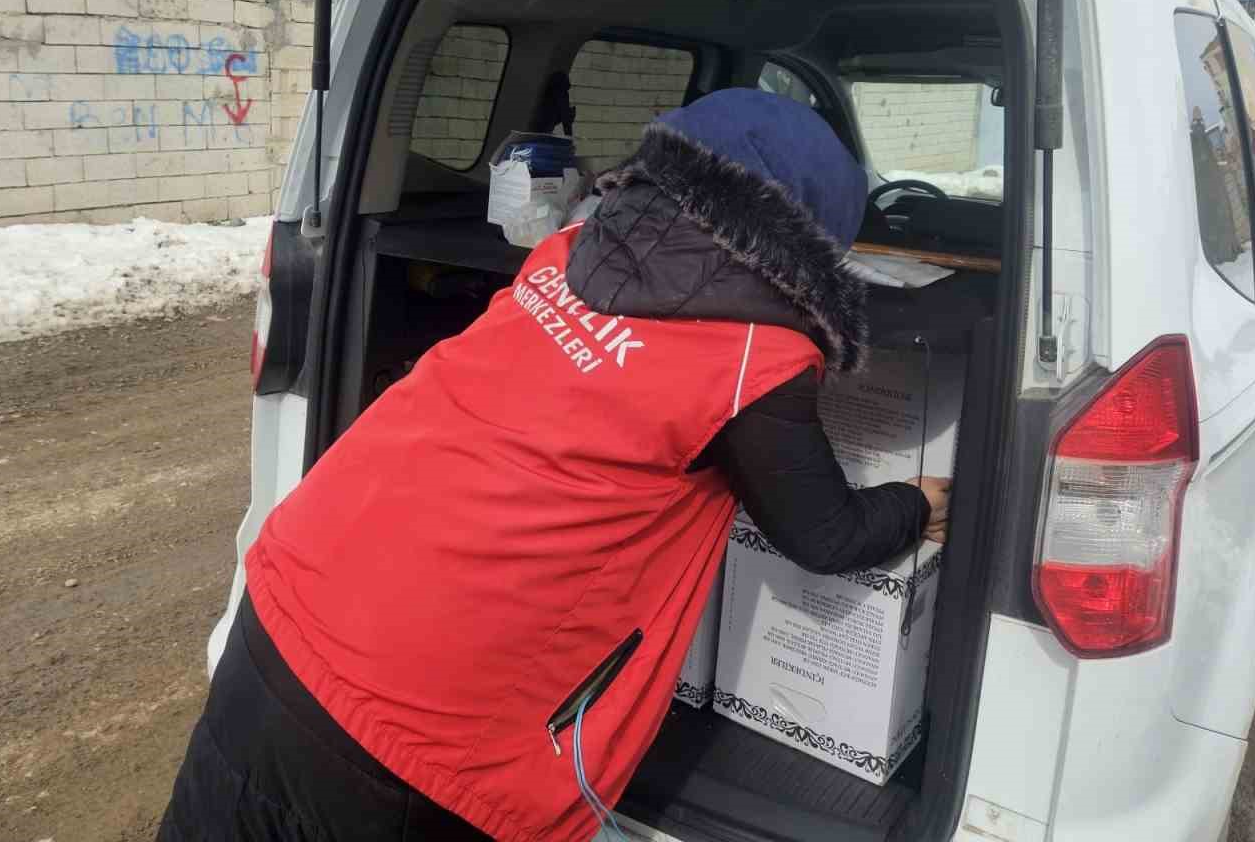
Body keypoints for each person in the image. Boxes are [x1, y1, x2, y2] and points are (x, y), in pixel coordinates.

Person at [157, 88, 952, 842]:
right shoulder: (754, 357)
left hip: (293, 602)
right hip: (415, 725)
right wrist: (917, 503)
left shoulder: (568, 251)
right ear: (814, 243)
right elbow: (824, 534)